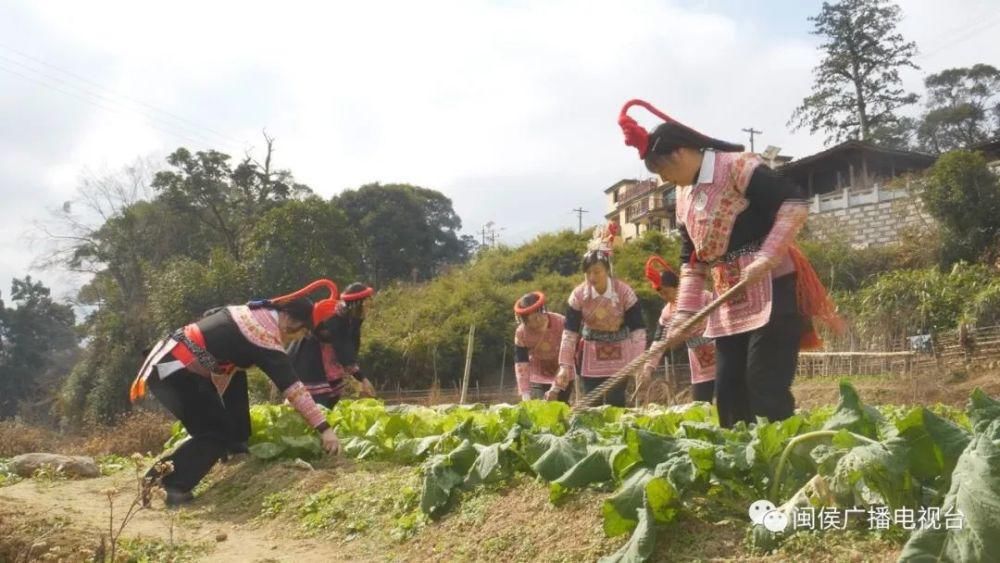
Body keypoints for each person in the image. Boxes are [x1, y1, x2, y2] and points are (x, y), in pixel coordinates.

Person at [618, 99, 840, 427]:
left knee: (764, 383)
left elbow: (794, 203)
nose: (668, 180)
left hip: (773, 289)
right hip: (729, 299)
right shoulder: (683, 198)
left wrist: (766, 257)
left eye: (665, 171)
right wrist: (682, 317)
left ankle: (779, 459)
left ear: (679, 153)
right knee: (729, 389)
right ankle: (743, 466)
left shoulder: (737, 166)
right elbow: (692, 261)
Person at [129, 280, 342, 506]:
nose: (294, 340)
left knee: (237, 376)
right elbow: (294, 388)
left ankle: (237, 442)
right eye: (300, 334)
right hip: (173, 371)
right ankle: (170, 483)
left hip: (172, 365)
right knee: (216, 431)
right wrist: (324, 429)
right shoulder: (263, 335)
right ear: (289, 319)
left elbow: (218, 338)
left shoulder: (251, 314)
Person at [547, 225, 645, 407]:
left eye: (597, 271)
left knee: (616, 404)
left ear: (607, 270)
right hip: (590, 355)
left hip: (620, 353)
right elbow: (570, 334)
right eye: (588, 272)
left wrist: (638, 362)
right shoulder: (578, 296)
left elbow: (638, 330)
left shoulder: (624, 293)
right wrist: (565, 366)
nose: (592, 276)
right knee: (592, 404)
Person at [638, 256, 716, 403]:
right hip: (700, 367)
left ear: (678, 287)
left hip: (719, 355)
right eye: (660, 294)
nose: (664, 296)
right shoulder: (667, 314)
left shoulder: (703, 297)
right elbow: (659, 341)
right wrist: (648, 368)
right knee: (701, 405)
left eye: (666, 291)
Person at [288, 282, 377, 407]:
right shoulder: (337, 319)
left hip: (326, 363)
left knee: (330, 400)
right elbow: (343, 350)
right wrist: (362, 378)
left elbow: (350, 346)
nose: (370, 306)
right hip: (310, 359)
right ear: (358, 304)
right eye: (367, 302)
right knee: (317, 404)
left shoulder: (351, 318)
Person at [513, 291, 569, 402]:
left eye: (540, 316)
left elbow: (568, 357)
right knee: (540, 404)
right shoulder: (521, 333)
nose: (539, 321)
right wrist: (525, 394)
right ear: (525, 322)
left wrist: (555, 389)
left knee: (559, 404)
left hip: (563, 369)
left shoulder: (561, 323)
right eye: (533, 319)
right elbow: (521, 364)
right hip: (538, 373)